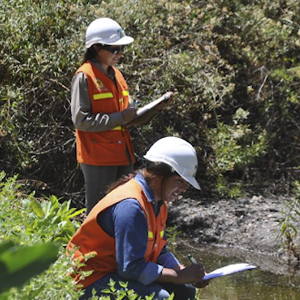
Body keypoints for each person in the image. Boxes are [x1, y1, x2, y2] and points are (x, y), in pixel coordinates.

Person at [66, 136, 209, 300]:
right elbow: (131, 268)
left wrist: (183, 273)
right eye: (179, 181)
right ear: (160, 174)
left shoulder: (158, 203)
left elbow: (160, 252)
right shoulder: (131, 206)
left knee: (185, 290)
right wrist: (178, 276)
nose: (184, 189)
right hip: (88, 280)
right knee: (160, 298)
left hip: (115, 273)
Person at [71, 17, 173, 214]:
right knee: (98, 211)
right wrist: (120, 117)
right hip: (98, 157)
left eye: (121, 49)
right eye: (114, 49)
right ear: (96, 48)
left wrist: (156, 108)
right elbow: (81, 120)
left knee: (122, 208)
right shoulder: (84, 76)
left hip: (122, 154)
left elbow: (128, 120)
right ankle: (88, 246)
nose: (118, 54)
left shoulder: (117, 76)